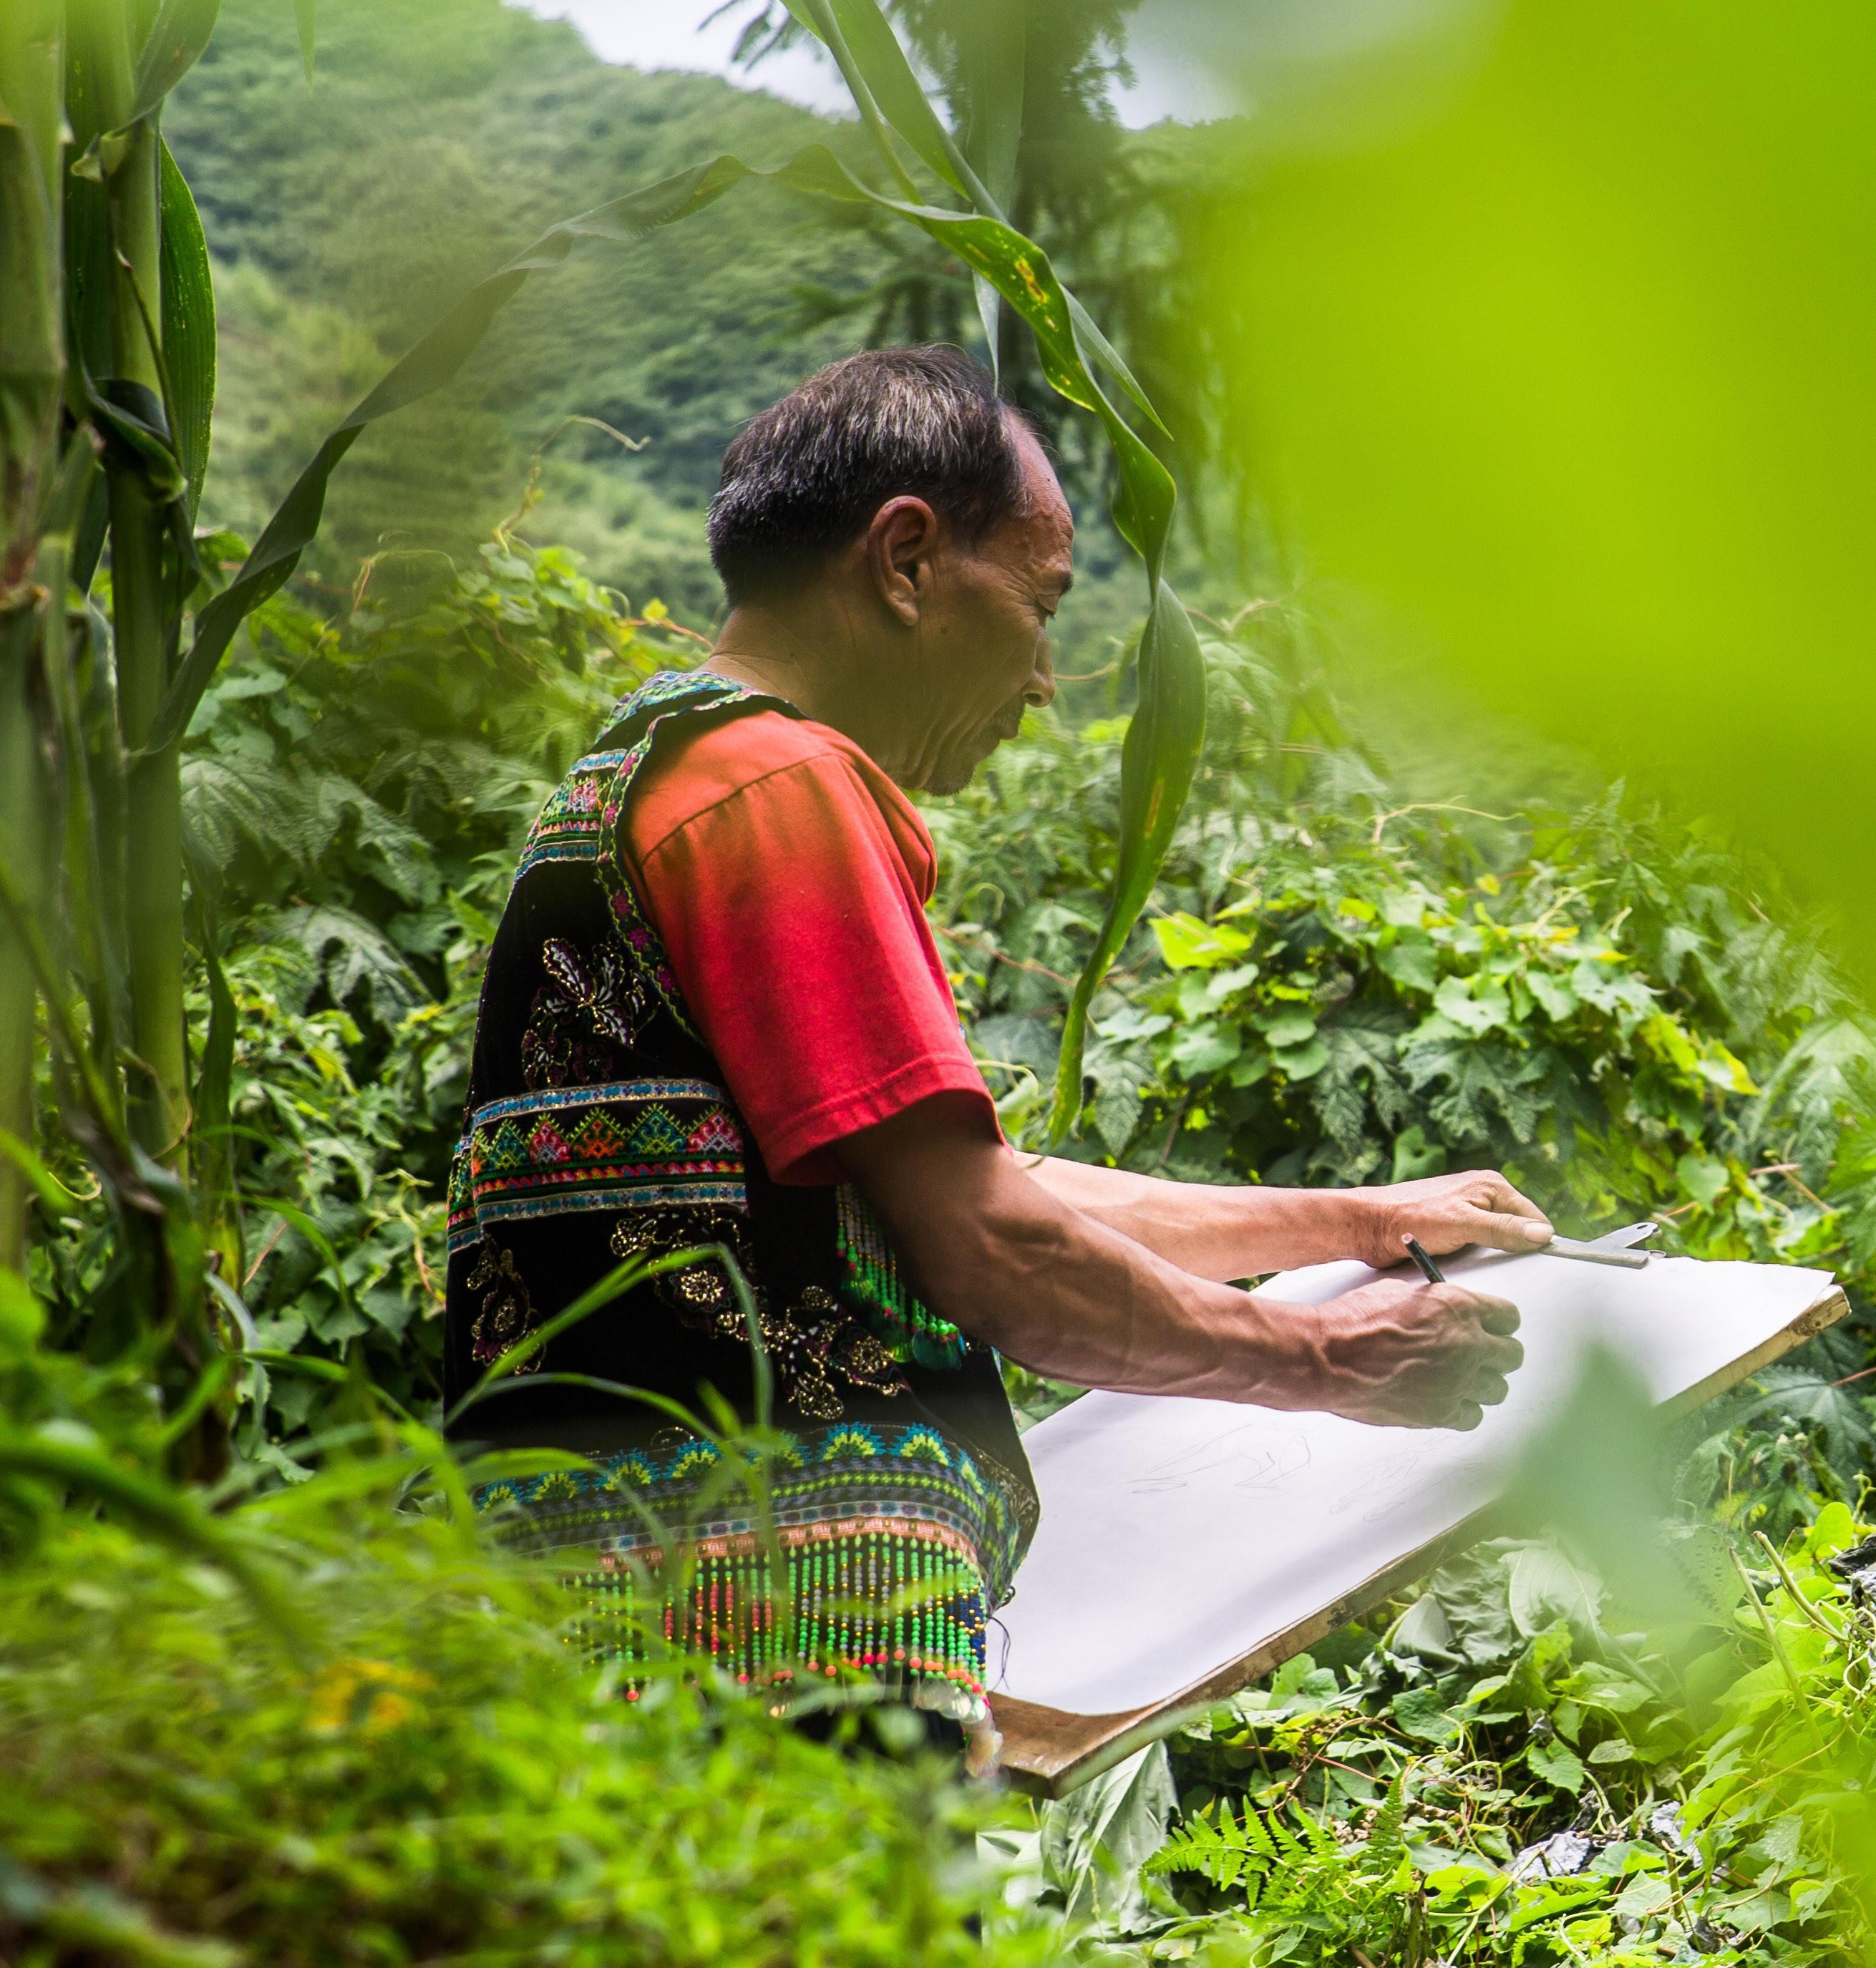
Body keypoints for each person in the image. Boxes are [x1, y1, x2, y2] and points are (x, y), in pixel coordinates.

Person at [444, 346, 1539, 1765]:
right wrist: (1328, 1354)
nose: (1041, 680)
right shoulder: (778, 791)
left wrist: (1360, 1225)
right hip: (783, 1645)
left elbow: (963, 1185)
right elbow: (992, 1247)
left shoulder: (645, 778)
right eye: (1038, 606)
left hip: (621, 1642)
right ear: (904, 560)